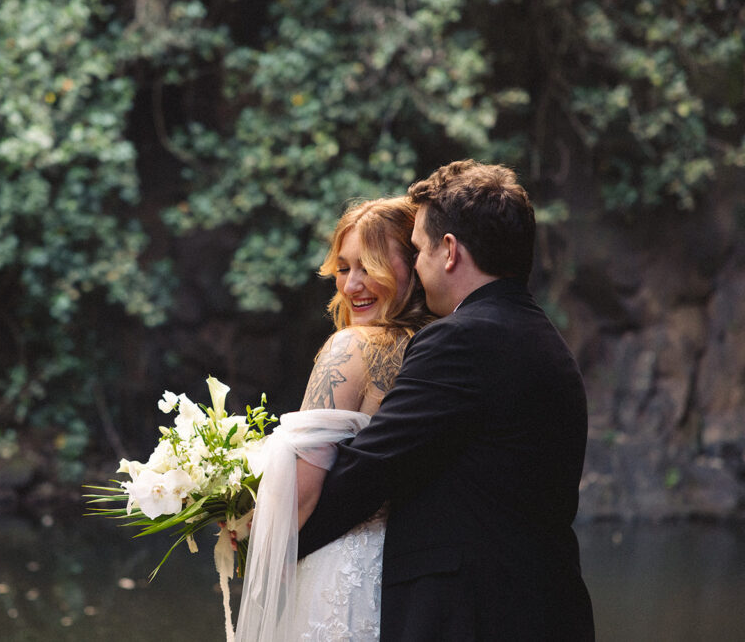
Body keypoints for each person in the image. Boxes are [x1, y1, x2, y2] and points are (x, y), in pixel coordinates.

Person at [297, 160, 595, 640]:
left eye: (417, 250)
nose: (416, 266)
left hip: (475, 617)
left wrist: (274, 540)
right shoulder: (544, 339)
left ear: (450, 251)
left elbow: (374, 466)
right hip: (547, 609)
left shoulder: (462, 339)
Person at [235, 196, 435, 640]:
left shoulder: (350, 347)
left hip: (339, 567)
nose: (352, 286)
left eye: (372, 266)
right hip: (407, 578)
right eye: (344, 269)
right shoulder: (440, 350)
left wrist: (245, 527)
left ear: (414, 266)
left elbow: (301, 492)